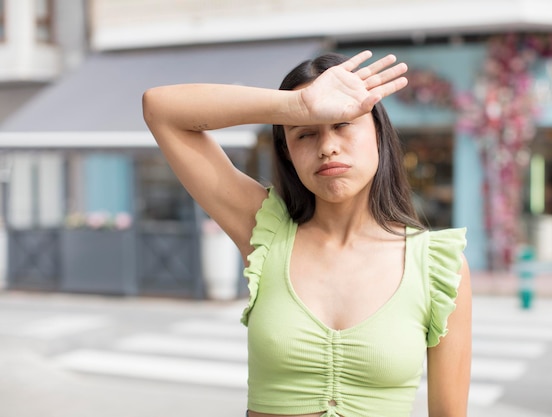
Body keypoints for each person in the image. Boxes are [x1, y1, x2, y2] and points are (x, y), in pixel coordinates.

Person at [142, 50, 472, 417]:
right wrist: (296, 105)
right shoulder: (263, 231)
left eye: (344, 124)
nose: (327, 147)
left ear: (378, 134)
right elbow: (161, 109)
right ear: (287, 153)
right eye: (305, 134)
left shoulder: (439, 266)